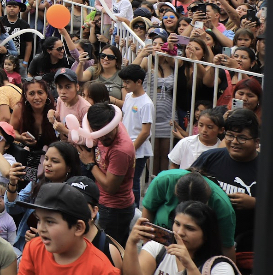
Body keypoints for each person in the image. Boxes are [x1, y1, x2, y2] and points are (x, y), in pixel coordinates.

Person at [189, 108, 258, 266]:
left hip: (248, 248)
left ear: (256, 141)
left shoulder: (266, 168)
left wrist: (254, 203)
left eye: (242, 138)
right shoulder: (210, 158)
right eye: (230, 135)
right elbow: (188, 187)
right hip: (206, 243)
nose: (234, 142)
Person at [18, 183, 117, 275]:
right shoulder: (33, 248)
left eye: (50, 221)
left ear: (78, 228)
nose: (41, 229)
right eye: (39, 220)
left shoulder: (101, 270)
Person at [75, 102, 135, 245]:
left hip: (115, 210)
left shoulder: (121, 149)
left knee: (110, 252)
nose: (102, 138)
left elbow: (110, 187)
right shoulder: (105, 124)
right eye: (98, 133)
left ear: (115, 124)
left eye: (107, 133)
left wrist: (90, 163)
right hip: (102, 202)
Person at [124, 201, 237, 275]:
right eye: (177, 224)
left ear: (207, 234)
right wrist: (131, 243)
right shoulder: (158, 248)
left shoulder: (220, 268)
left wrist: (189, 265)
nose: (180, 232)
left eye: (189, 228)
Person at [119, 63, 154, 203]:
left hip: (137, 149)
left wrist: (131, 149)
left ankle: (134, 212)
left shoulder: (146, 103)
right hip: (126, 145)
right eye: (124, 82)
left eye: (128, 82)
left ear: (139, 82)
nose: (125, 85)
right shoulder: (128, 97)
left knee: (133, 184)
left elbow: (145, 132)